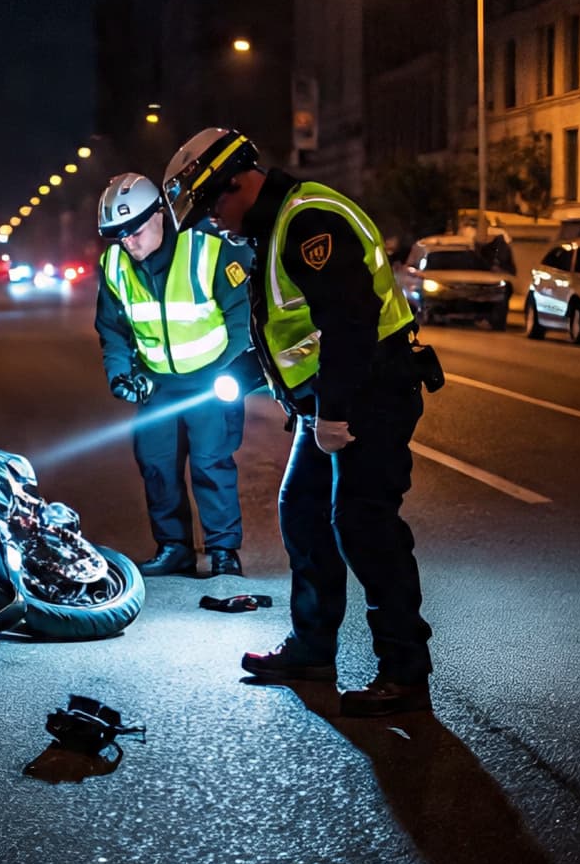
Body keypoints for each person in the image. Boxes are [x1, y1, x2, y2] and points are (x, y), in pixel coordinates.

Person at [163, 128, 434, 717]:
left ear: (238, 183)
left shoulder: (309, 222)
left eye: (213, 207)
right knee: (303, 512)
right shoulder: (273, 226)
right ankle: (312, 648)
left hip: (371, 394)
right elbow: (294, 331)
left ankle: (405, 672)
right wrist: (235, 374)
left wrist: (334, 414)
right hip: (330, 400)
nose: (213, 222)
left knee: (364, 524)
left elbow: (350, 325)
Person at [94, 173, 252, 579]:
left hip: (208, 380)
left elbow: (241, 318)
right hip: (158, 383)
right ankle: (174, 548)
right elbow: (111, 327)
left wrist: (227, 370)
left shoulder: (206, 249)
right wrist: (120, 372)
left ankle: (222, 552)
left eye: (135, 230)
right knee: (156, 464)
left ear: (160, 215)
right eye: (119, 235)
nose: (128, 242)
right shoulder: (114, 264)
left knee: (211, 463)